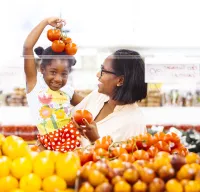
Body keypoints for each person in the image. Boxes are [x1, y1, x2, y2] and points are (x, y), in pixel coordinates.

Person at [23, 17, 83, 152]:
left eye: (64, 74)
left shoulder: (68, 91)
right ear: (42, 69)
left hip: (71, 145)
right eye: (53, 72)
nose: (58, 79)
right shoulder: (35, 85)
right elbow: (27, 47)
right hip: (45, 148)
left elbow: (89, 104)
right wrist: (45, 22)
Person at [72, 49, 148, 146]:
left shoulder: (134, 123)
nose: (98, 74)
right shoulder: (98, 96)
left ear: (120, 80)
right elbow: (71, 116)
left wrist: (95, 140)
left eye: (103, 71)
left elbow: (123, 159)